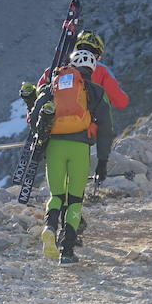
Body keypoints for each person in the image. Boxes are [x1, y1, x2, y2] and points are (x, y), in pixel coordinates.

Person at [34, 49, 113, 265]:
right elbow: (106, 128)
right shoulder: (95, 91)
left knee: (56, 195)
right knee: (75, 200)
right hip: (78, 148)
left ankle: (49, 227)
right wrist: (103, 162)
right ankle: (67, 251)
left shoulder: (54, 86)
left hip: (54, 147)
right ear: (92, 69)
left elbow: (36, 113)